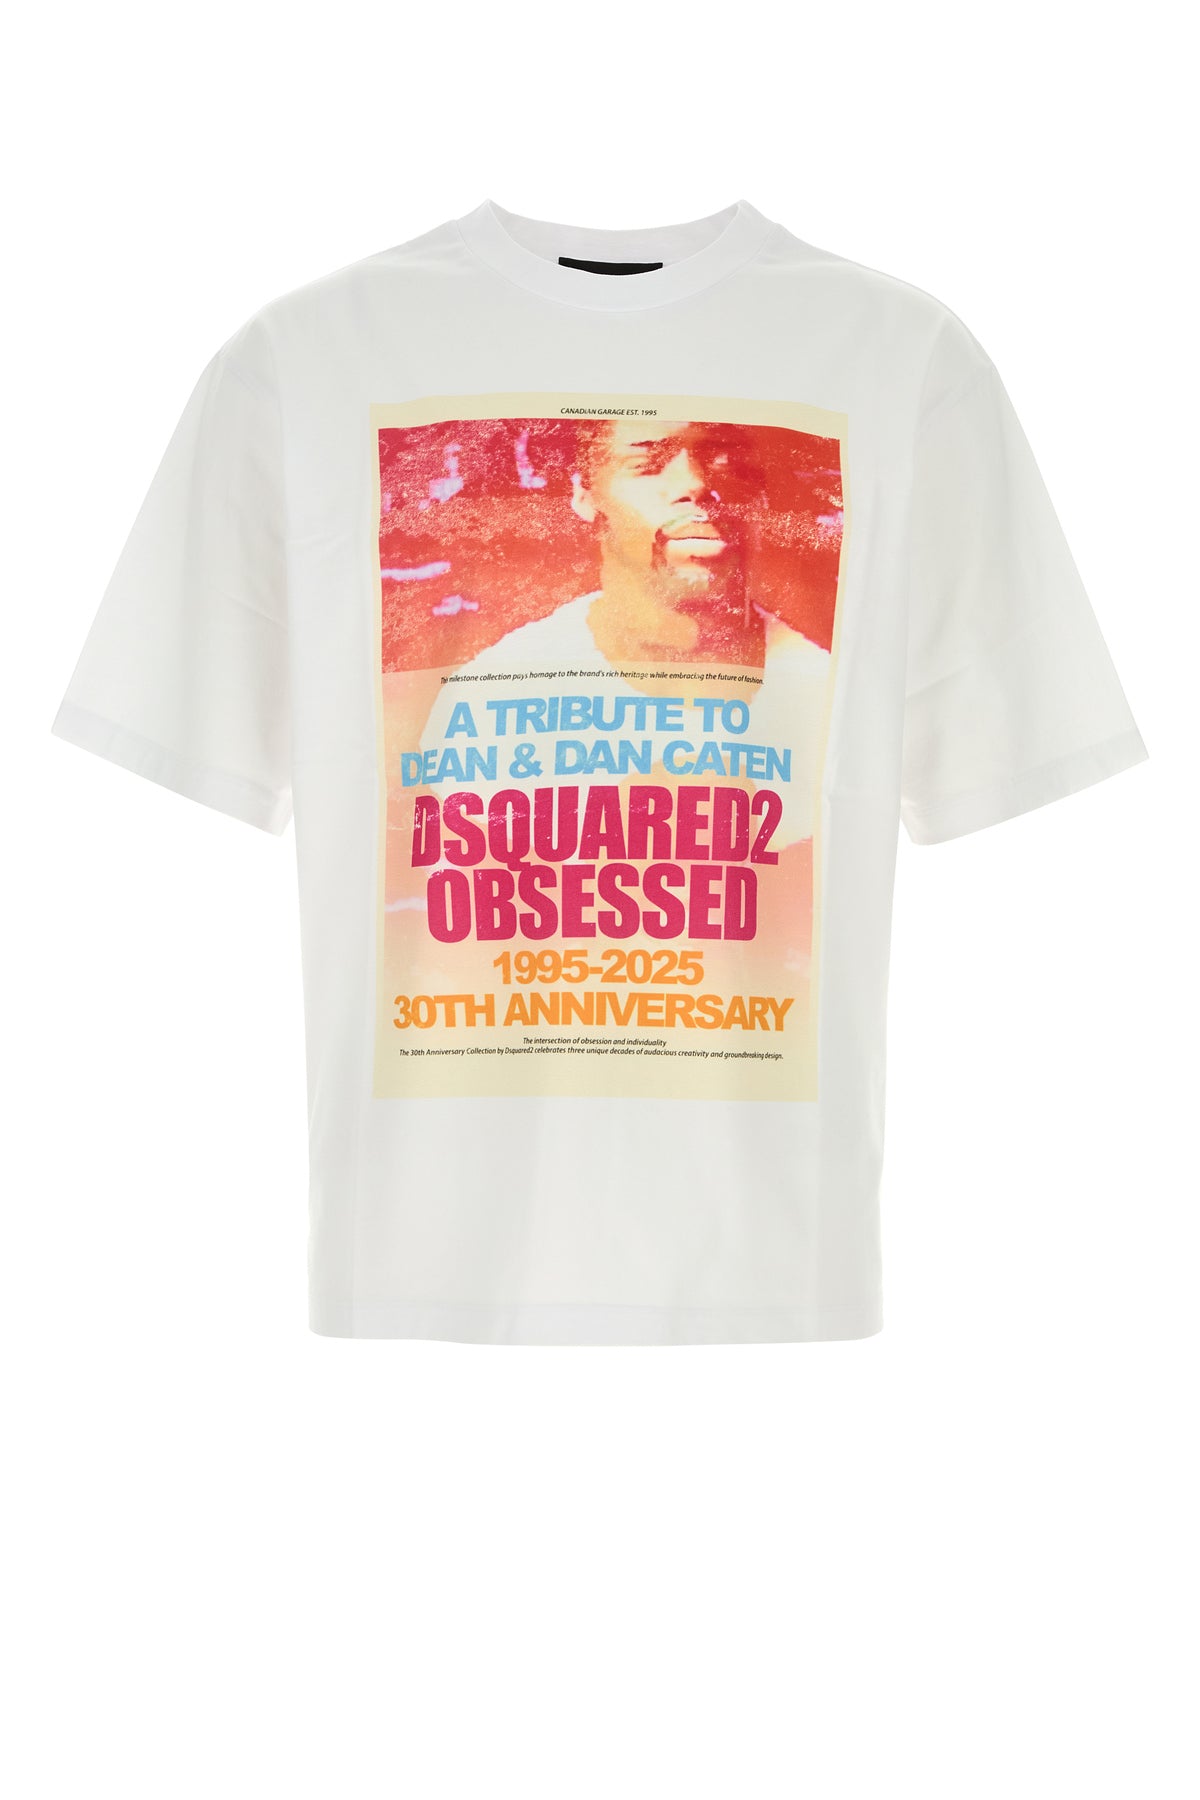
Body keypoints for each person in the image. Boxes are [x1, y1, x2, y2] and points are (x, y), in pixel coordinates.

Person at [418, 417, 832, 845]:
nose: (694, 483)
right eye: (646, 464)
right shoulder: (491, 695)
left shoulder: (828, 697)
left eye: (722, 460)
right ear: (584, 494)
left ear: (759, 495)